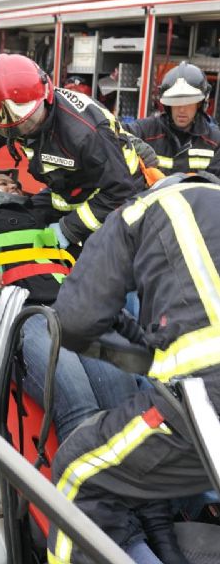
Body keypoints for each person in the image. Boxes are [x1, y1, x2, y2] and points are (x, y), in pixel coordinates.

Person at [47, 171, 220, 564]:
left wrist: (128, 351)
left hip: (207, 399)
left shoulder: (139, 212)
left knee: (79, 471)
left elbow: (74, 321)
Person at [0, 169, 142, 444]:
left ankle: (136, 483)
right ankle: (91, 486)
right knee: (80, 409)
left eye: (16, 184)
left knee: (125, 405)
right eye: (3, 184)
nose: (13, 187)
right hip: (23, 314)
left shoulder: (49, 220)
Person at [0, 53, 156, 250]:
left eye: (30, 120)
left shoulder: (84, 133)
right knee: (12, 220)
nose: (25, 129)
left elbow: (119, 191)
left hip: (116, 196)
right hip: (67, 191)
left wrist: (68, 229)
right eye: (14, 126)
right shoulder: (9, 113)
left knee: (95, 267)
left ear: (46, 96)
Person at [125, 61, 220, 174]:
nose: (182, 110)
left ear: (199, 103)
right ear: (168, 105)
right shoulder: (147, 130)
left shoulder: (215, 140)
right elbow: (113, 133)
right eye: (176, 102)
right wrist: (135, 143)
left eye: (188, 103)